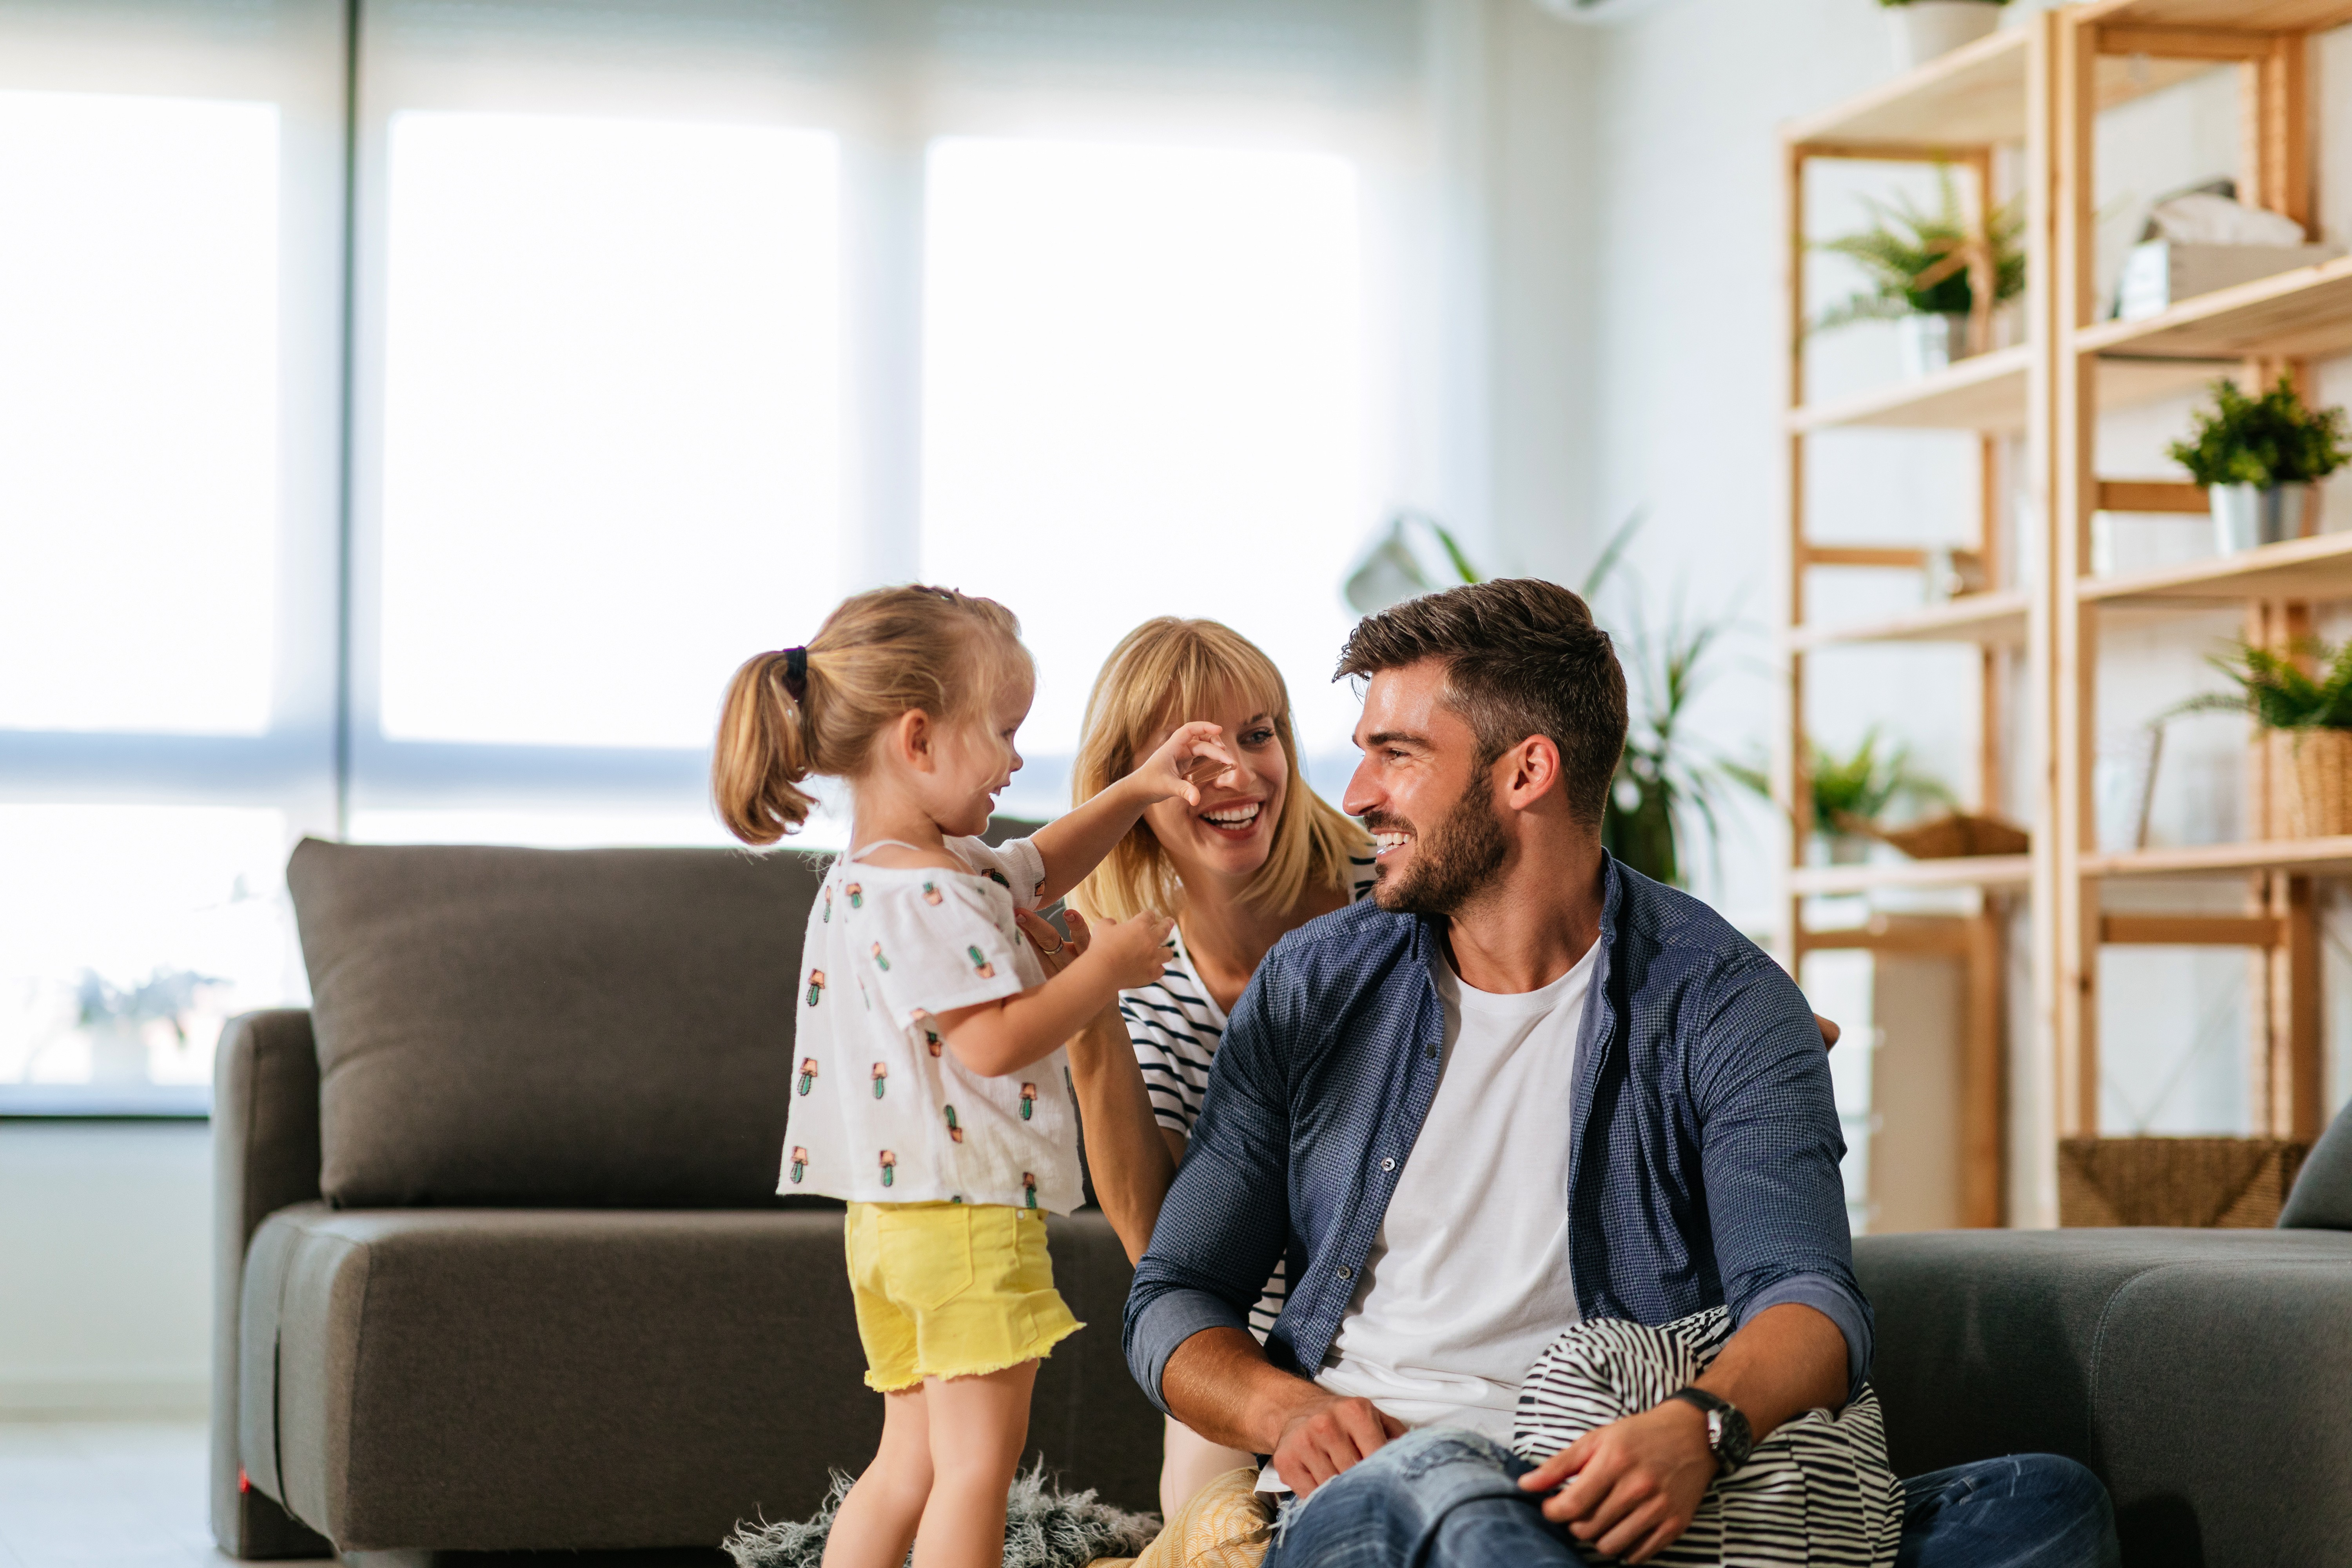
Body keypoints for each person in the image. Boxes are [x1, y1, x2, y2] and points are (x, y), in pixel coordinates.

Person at [1120, 580, 2120, 1568]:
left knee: (2044, 1504)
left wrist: (1698, 1427)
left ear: (1527, 771)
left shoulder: (1724, 998)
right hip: (1391, 1490)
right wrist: (1285, 1406)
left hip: (1627, 1487)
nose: (1357, 793)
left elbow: (1808, 1297)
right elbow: (1175, 1289)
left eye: (1398, 753)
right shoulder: (1315, 985)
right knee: (1457, 1496)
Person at [711, 584, 1239, 1568]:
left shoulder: (891, 873)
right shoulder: (930, 893)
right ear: (918, 740)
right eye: (1000, 731)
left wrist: (1134, 791)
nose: (1014, 758)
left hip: (889, 1226)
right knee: (974, 1473)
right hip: (965, 1224)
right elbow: (990, 1042)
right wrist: (1108, 970)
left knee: (906, 1462)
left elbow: (1038, 863)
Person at [1056, 618, 1376, 1518]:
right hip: (1240, 1349)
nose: (1238, 773)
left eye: (1258, 733)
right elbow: (1165, 1248)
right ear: (1128, 786)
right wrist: (1086, 1018)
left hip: (1405, 1311)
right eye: (1191, 753)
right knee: (1203, 1513)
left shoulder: (1386, 886)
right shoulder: (1134, 972)